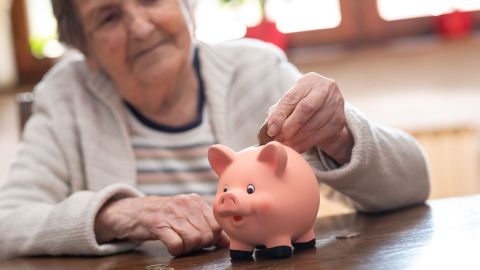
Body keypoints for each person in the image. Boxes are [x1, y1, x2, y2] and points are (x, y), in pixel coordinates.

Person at [0, 0, 429, 259]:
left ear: (188, 5)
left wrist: (338, 135)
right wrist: (116, 215)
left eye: (151, 0)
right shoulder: (66, 93)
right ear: (86, 50)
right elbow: (8, 223)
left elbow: (412, 184)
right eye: (109, 17)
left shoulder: (256, 71)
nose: (140, 28)